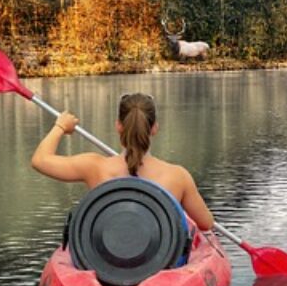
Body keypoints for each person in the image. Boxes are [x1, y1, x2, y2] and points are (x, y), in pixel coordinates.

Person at [31, 92, 215, 232]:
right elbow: (206, 224)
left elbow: (40, 160)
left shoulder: (94, 167)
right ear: (154, 128)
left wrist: (60, 126)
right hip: (160, 263)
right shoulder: (178, 176)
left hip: (108, 262)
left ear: (118, 126)